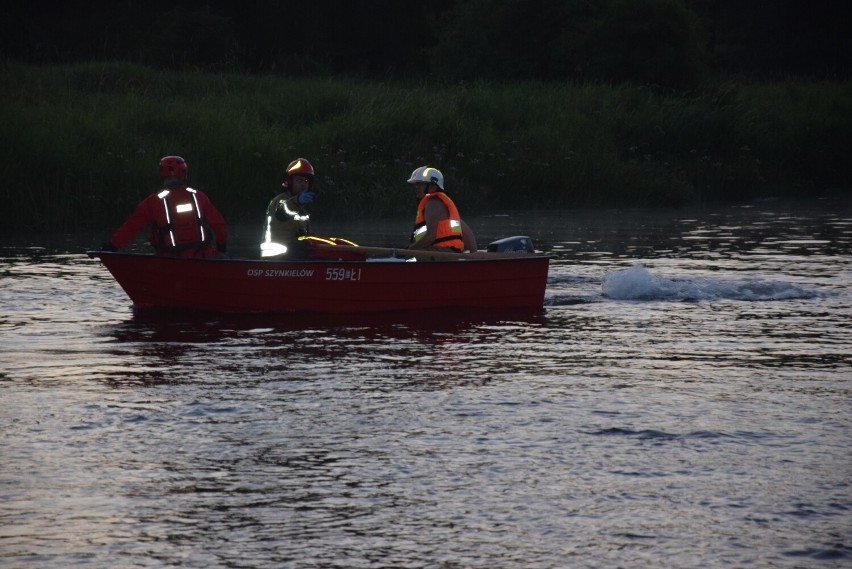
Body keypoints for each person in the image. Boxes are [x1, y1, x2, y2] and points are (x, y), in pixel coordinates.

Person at [102, 156, 227, 257]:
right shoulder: (199, 196)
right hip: (203, 257)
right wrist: (221, 246)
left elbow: (132, 226)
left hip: (170, 259)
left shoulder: (154, 201)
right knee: (225, 258)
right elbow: (219, 224)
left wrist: (112, 247)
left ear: (162, 175)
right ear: (184, 174)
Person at [260, 157, 360, 259]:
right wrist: (297, 201)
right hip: (275, 256)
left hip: (292, 252)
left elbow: (304, 236)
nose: (303, 184)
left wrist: (328, 241)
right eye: (299, 180)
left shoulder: (302, 210)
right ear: (289, 182)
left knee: (337, 244)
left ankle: (353, 263)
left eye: (306, 181)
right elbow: (282, 213)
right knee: (311, 245)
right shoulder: (280, 200)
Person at [406, 166, 477, 252]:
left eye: (420, 184)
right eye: (416, 184)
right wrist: (473, 253)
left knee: (410, 257)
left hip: (443, 254)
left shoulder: (433, 204)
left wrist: (409, 250)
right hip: (448, 253)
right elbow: (467, 232)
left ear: (433, 186)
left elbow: (430, 238)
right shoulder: (439, 203)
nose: (417, 187)